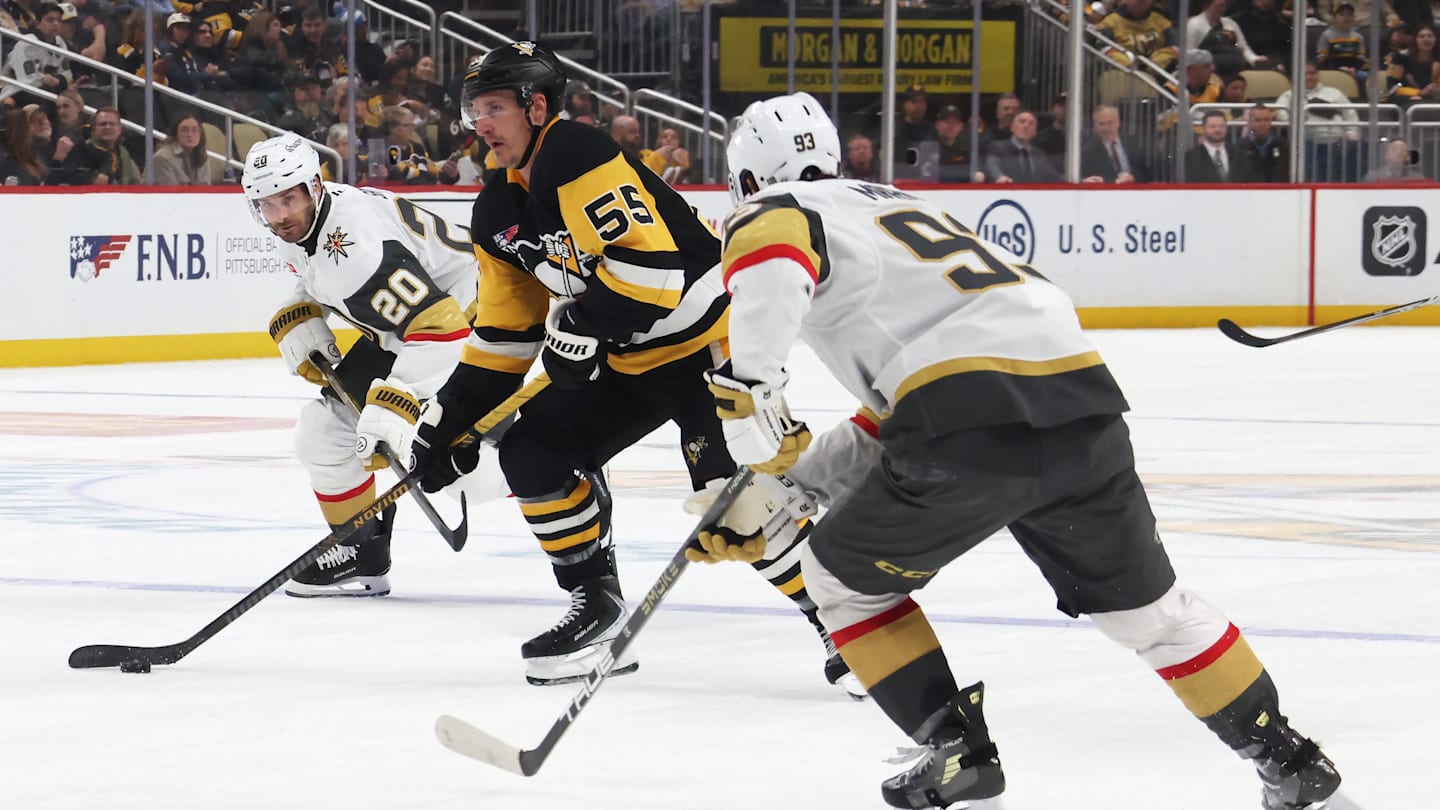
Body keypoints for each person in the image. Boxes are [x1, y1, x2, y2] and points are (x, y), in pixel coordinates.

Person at [712, 90, 1360, 810]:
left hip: (963, 422)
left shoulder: (775, 210)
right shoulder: (901, 209)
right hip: (1080, 406)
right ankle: (1292, 763)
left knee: (837, 577)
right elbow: (895, 408)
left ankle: (954, 748)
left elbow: (771, 254)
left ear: (748, 178)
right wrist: (798, 481)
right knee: (1156, 616)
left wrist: (752, 394)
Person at [409, 43, 860, 694]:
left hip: (710, 339)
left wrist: (581, 326)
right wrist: (451, 421)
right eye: (473, 109)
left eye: (494, 107)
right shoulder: (498, 212)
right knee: (534, 451)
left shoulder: (576, 153)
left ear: (537, 107)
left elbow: (654, 273)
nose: (480, 123)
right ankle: (598, 605)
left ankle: (845, 622)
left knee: (735, 501)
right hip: (631, 353)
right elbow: (507, 336)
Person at [240, 132, 484, 598]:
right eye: (266, 205)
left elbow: (442, 328)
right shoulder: (307, 223)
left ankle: (570, 484)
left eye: (287, 199)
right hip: (411, 329)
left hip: (474, 324)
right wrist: (302, 310)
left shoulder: (356, 250)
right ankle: (359, 551)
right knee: (324, 433)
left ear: (313, 186)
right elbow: (320, 278)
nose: (279, 216)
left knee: (467, 468)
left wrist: (399, 400)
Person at [1187, 109, 1250, 181]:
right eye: (1213, 126)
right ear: (1203, 128)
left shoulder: (1239, 154)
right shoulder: (1192, 156)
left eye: (1221, 126)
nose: (1218, 129)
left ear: (1226, 128)